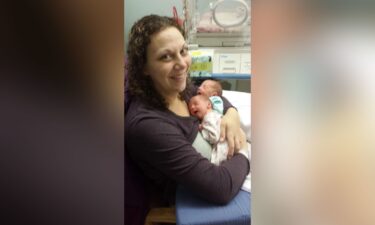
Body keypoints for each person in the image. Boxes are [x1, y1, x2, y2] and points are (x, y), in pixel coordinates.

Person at [125, 14, 249, 224]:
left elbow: (216, 101)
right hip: (209, 193)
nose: (182, 64)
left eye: (183, 51)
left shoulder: (178, 90)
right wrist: (245, 151)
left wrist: (232, 115)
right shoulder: (148, 125)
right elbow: (219, 187)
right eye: (166, 57)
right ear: (144, 67)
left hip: (230, 164)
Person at [189, 94, 251, 192]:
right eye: (190, 107)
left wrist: (202, 130)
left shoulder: (208, 118)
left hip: (226, 146)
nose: (192, 107)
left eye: (195, 104)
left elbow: (214, 137)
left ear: (209, 105)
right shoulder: (216, 115)